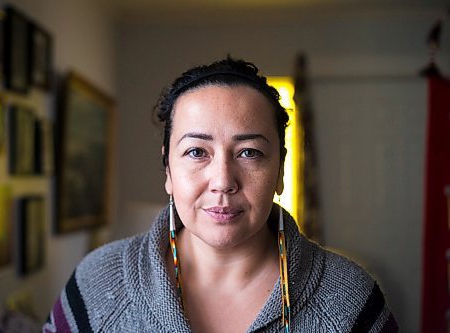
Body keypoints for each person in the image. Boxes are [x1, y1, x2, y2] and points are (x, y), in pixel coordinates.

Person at [43, 57, 398, 333]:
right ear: (168, 169)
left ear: (280, 171)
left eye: (249, 153)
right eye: (197, 152)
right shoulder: (97, 283)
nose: (223, 181)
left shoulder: (350, 300)